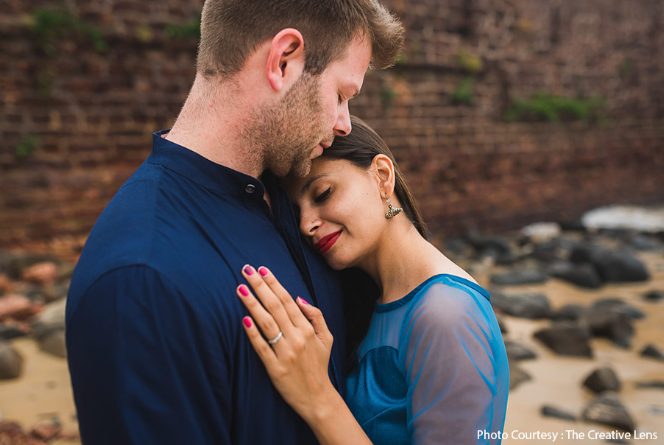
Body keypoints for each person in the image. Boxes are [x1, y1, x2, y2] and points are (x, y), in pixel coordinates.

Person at [65, 2, 404, 443]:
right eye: (341, 95)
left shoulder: (297, 204)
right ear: (283, 61)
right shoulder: (140, 279)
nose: (344, 124)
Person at [236, 116, 510, 445]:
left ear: (382, 177)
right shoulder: (375, 302)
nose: (306, 224)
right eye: (295, 213)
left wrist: (319, 397)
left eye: (322, 194)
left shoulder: (446, 315)